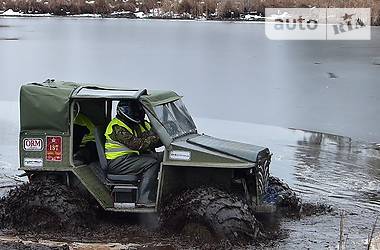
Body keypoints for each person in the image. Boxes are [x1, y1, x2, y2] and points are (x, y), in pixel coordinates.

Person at [104, 100, 163, 207]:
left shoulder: (134, 124)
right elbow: (138, 144)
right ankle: (144, 199)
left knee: (163, 157)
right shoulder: (117, 127)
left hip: (131, 158)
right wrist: (160, 138)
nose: (138, 114)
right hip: (118, 163)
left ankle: (161, 193)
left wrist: (163, 135)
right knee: (152, 162)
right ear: (125, 111)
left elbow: (149, 137)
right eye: (134, 111)